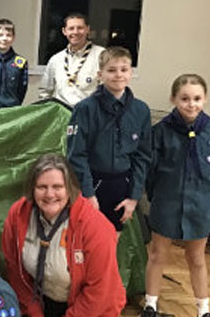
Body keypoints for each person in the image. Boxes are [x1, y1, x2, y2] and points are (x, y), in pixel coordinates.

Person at [4, 153, 126, 317]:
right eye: (42, 187)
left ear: (70, 188)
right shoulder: (17, 215)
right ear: (32, 188)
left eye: (57, 187)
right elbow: (16, 272)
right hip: (43, 301)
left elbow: (100, 292)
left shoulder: (95, 226)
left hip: (87, 309)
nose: (50, 194)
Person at [134, 74, 210, 317]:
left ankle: (204, 313)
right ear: (174, 99)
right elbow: (150, 172)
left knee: (197, 259)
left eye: (197, 99)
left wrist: (205, 198)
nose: (191, 104)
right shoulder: (160, 132)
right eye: (184, 98)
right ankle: (151, 307)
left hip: (199, 207)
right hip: (167, 204)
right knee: (158, 254)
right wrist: (158, 198)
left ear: (205, 99)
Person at [65, 46, 152, 231]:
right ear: (100, 74)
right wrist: (88, 194)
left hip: (123, 188)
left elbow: (142, 156)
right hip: (91, 184)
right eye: (111, 70)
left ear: (131, 73)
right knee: (85, 241)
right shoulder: (85, 109)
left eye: (124, 70)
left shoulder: (141, 110)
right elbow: (76, 154)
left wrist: (134, 197)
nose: (118, 75)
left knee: (112, 241)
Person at [38, 13, 104, 106]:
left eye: (80, 28)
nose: (75, 32)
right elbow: (45, 92)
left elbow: (109, 90)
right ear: (64, 31)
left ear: (87, 29)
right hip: (62, 116)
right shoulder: (56, 60)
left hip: (89, 116)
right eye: (71, 28)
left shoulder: (101, 55)